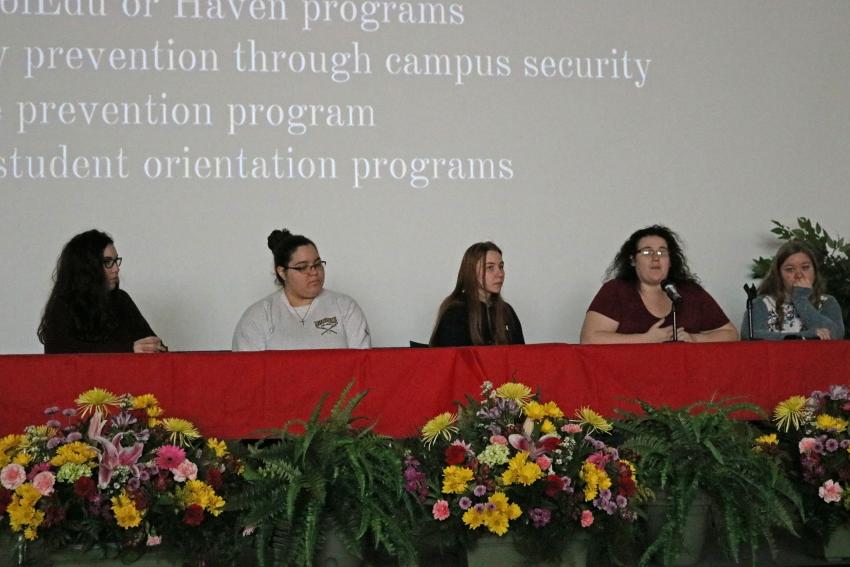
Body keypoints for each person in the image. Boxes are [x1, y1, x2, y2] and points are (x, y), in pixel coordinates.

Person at [580, 225, 738, 344]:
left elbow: (730, 334)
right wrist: (645, 339)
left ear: (670, 261)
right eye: (647, 252)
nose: (656, 258)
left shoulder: (690, 292)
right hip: (627, 381)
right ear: (633, 260)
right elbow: (589, 339)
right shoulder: (616, 290)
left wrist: (695, 338)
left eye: (662, 252)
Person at [232, 229, 371, 351]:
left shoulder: (345, 307)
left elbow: (362, 366)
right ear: (282, 272)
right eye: (302, 267)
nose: (314, 272)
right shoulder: (258, 316)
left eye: (317, 264)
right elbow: (248, 373)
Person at [38, 230, 166, 354]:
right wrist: (128, 349)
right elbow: (61, 355)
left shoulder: (121, 300)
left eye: (116, 261)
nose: (116, 269)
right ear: (86, 268)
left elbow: (157, 348)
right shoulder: (62, 305)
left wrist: (153, 347)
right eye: (107, 262)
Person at [741, 241, 844, 340]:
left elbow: (835, 335)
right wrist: (803, 337)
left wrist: (801, 299)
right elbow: (750, 335)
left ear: (815, 271)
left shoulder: (827, 302)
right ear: (778, 274)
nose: (799, 275)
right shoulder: (762, 303)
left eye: (805, 267)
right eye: (790, 269)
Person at [430, 242, 525, 347]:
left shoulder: (507, 312)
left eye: (501, 267)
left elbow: (520, 358)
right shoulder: (456, 313)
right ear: (471, 272)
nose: (500, 274)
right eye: (490, 268)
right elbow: (455, 360)